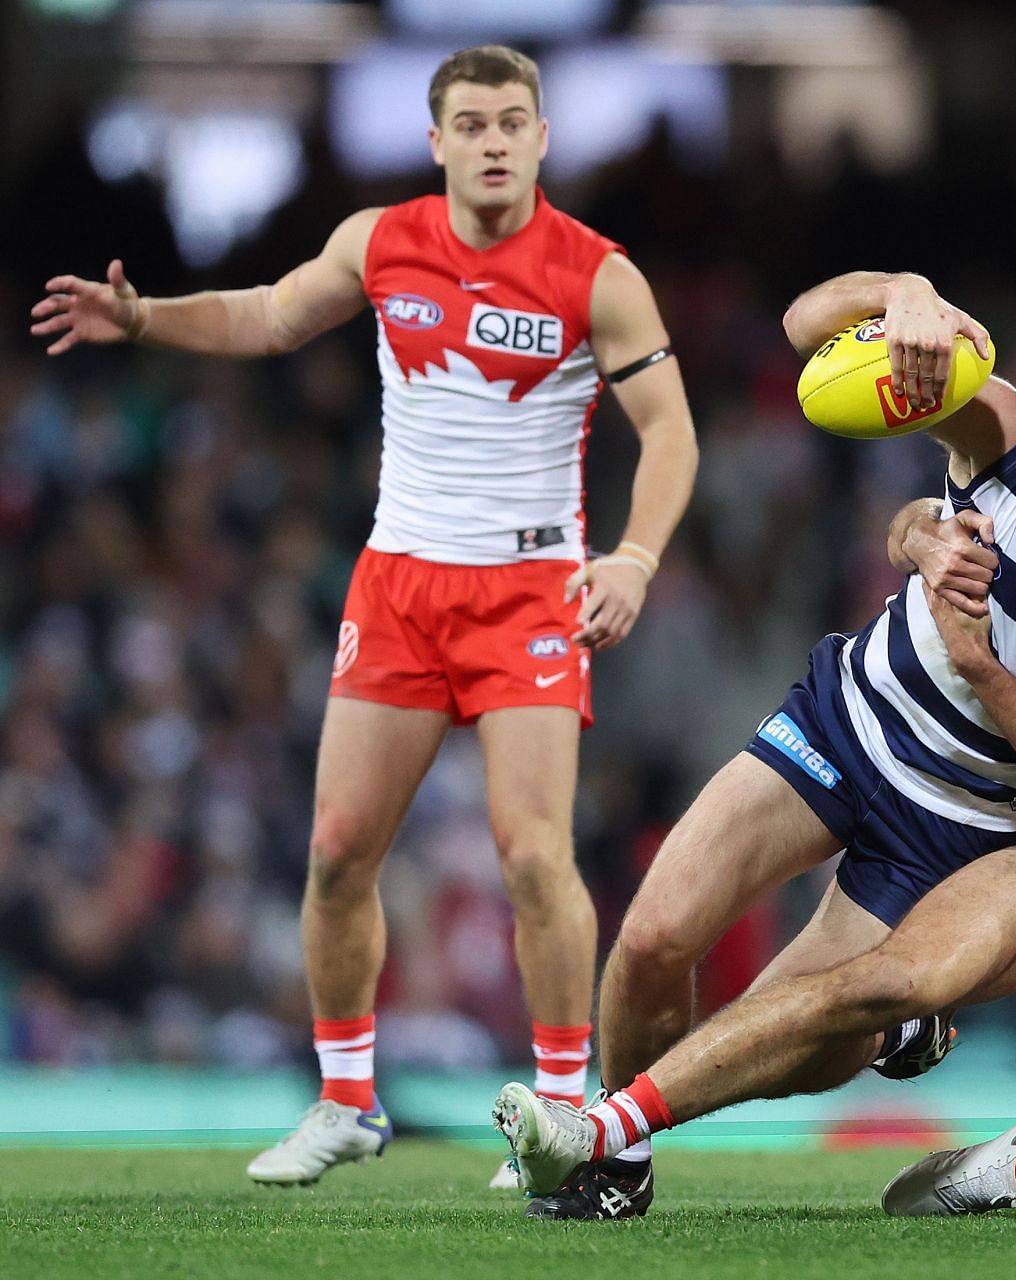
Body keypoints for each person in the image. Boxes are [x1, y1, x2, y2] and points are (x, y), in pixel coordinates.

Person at [29, 45, 699, 1188]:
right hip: (398, 585)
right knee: (338, 854)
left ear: (542, 139)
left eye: (514, 122)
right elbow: (267, 314)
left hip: (530, 589)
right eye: (472, 123)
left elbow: (673, 433)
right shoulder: (378, 241)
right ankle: (346, 1101)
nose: (494, 140)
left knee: (535, 854)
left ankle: (558, 1112)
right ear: (436, 142)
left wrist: (632, 557)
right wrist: (145, 321)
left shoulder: (599, 275)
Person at [495, 369, 1016, 1216]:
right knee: (865, 994)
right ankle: (609, 1135)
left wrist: (980, 664)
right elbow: (943, 513)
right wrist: (918, 533)